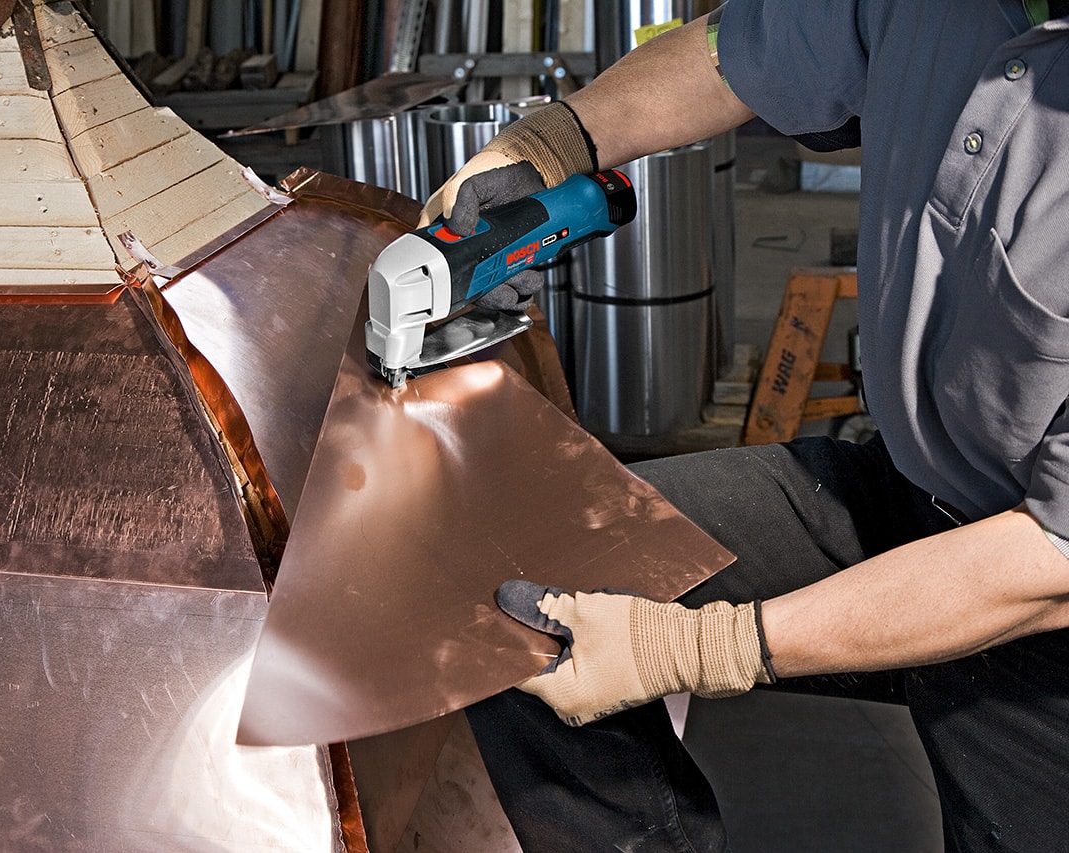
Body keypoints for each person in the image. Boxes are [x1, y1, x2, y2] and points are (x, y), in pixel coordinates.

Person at [425, 2, 1069, 850]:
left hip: (1038, 588)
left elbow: (1050, 559)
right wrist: (556, 142)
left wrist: (702, 647)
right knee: (519, 580)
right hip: (916, 484)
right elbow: (743, 50)